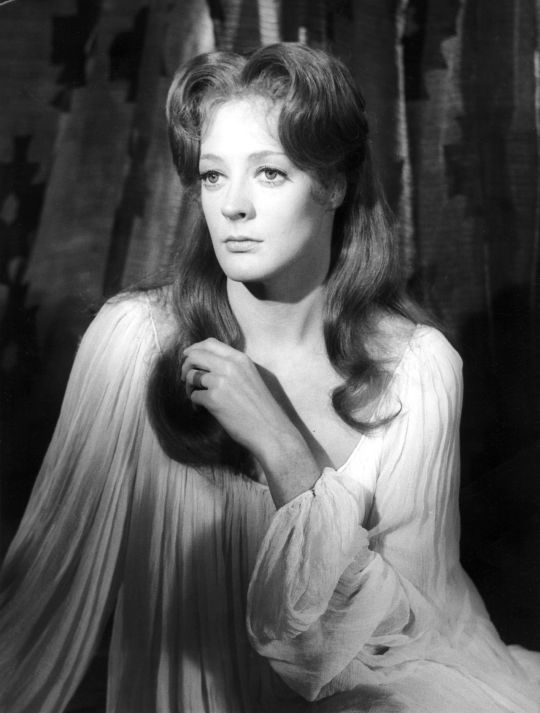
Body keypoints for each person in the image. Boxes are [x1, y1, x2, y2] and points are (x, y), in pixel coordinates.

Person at [0, 42, 539, 713]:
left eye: (270, 173)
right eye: (213, 175)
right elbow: (43, 594)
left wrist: (284, 450)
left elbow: (404, 638)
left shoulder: (416, 369)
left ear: (334, 185)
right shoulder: (134, 341)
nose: (233, 206)